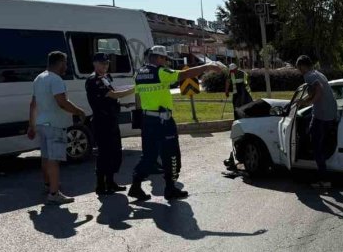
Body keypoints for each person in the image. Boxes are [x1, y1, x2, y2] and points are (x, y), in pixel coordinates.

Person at [128, 45, 210, 201]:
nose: (165, 62)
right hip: (162, 121)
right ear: (158, 58)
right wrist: (207, 66)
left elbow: (137, 100)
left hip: (147, 120)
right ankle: (170, 188)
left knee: (149, 156)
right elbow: (184, 74)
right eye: (164, 58)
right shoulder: (161, 72)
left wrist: (142, 121)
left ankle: (136, 186)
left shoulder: (139, 74)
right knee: (171, 155)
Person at [27, 51, 87, 204]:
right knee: (54, 160)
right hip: (55, 125)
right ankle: (54, 194)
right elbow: (62, 102)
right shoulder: (56, 79)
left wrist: (31, 125)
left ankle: (48, 185)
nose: (66, 66)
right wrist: (79, 111)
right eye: (65, 63)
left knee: (46, 157)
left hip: (42, 123)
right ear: (60, 62)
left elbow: (33, 104)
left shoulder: (39, 78)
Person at [85, 53, 134, 196]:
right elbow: (113, 95)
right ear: (95, 63)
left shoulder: (106, 77)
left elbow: (113, 95)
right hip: (102, 121)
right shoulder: (94, 80)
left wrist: (124, 104)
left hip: (111, 119)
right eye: (102, 63)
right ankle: (100, 185)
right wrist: (135, 89)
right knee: (104, 154)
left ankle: (111, 181)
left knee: (115, 151)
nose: (105, 66)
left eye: (106, 63)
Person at [296, 55, 338, 189]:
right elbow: (318, 91)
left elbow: (318, 90)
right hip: (331, 115)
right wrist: (308, 101)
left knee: (316, 147)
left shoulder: (309, 76)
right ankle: (323, 172)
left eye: (298, 67)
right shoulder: (318, 74)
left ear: (302, 66)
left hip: (321, 116)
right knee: (319, 142)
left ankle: (324, 179)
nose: (299, 70)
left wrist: (307, 102)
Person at [224, 62, 253, 170]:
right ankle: (238, 120)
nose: (232, 73)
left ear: (236, 69)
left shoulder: (242, 74)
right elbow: (227, 82)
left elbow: (246, 83)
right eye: (231, 71)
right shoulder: (231, 74)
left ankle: (243, 120)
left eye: (233, 70)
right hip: (236, 95)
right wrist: (226, 91)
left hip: (244, 94)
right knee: (236, 110)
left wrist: (246, 93)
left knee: (244, 108)